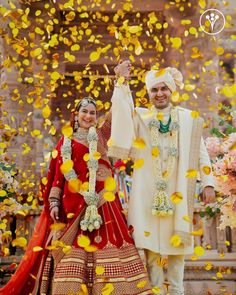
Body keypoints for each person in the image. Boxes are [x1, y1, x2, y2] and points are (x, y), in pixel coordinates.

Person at [0, 97, 152, 295]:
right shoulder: (66, 141)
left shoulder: (100, 136)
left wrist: (120, 84)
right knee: (70, 256)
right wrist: (54, 202)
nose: (88, 116)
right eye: (85, 112)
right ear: (76, 114)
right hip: (73, 207)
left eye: (92, 113)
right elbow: (57, 175)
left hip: (103, 204)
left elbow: (114, 116)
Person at [108, 61, 216, 295]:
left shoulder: (188, 118)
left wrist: (208, 183)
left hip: (177, 193)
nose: (159, 94)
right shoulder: (141, 117)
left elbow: (201, 152)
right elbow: (123, 115)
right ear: (149, 93)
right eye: (154, 90)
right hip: (148, 194)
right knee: (152, 253)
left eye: (163, 88)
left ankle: (177, 292)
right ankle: (156, 291)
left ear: (171, 90)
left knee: (177, 251)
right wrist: (121, 83)